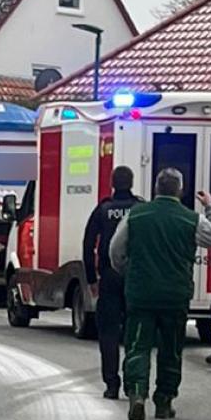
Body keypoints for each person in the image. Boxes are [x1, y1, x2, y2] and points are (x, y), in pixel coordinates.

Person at [109, 168, 211, 420]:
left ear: (156, 189)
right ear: (180, 191)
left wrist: (128, 271)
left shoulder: (135, 215)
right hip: (175, 295)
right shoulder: (191, 219)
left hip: (140, 293)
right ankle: (164, 400)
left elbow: (116, 250)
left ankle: (137, 394)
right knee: (171, 348)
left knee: (138, 345)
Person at [82, 167, 142, 400]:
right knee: (133, 332)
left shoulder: (103, 209)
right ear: (132, 182)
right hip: (134, 277)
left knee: (108, 332)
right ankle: (131, 382)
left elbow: (88, 244)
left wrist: (91, 278)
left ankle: (111, 384)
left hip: (108, 277)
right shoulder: (139, 208)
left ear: (112, 183)